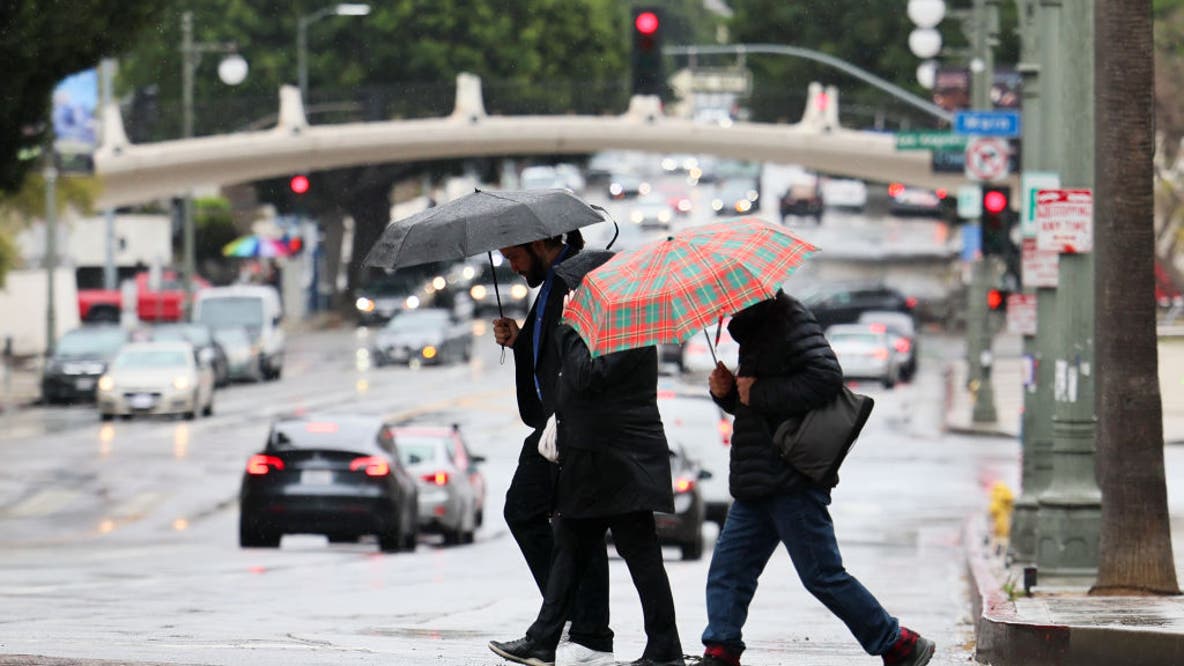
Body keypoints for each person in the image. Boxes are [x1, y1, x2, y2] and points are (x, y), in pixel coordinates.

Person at [698, 290, 935, 666]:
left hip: (792, 478)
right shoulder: (755, 325)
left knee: (822, 575)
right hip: (756, 478)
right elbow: (756, 409)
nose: (723, 302)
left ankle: (898, 643)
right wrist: (727, 394)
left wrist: (758, 390)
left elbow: (825, 378)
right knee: (728, 571)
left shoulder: (787, 317)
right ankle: (721, 649)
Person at [490, 250, 684, 666]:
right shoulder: (610, 324)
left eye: (580, 291)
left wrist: (567, 329)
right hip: (599, 459)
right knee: (573, 546)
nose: (575, 297)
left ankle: (660, 647)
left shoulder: (624, 326)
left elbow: (585, 376)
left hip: (618, 462)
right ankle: (546, 640)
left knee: (637, 555)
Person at [491, 230, 615, 665]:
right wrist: (520, 340)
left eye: (514, 256)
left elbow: (584, 352)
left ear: (539, 244)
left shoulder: (578, 279)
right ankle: (575, 621)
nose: (512, 265)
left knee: (578, 525)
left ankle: (585, 628)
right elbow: (550, 352)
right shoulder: (551, 285)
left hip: (572, 422)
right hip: (550, 422)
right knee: (532, 513)